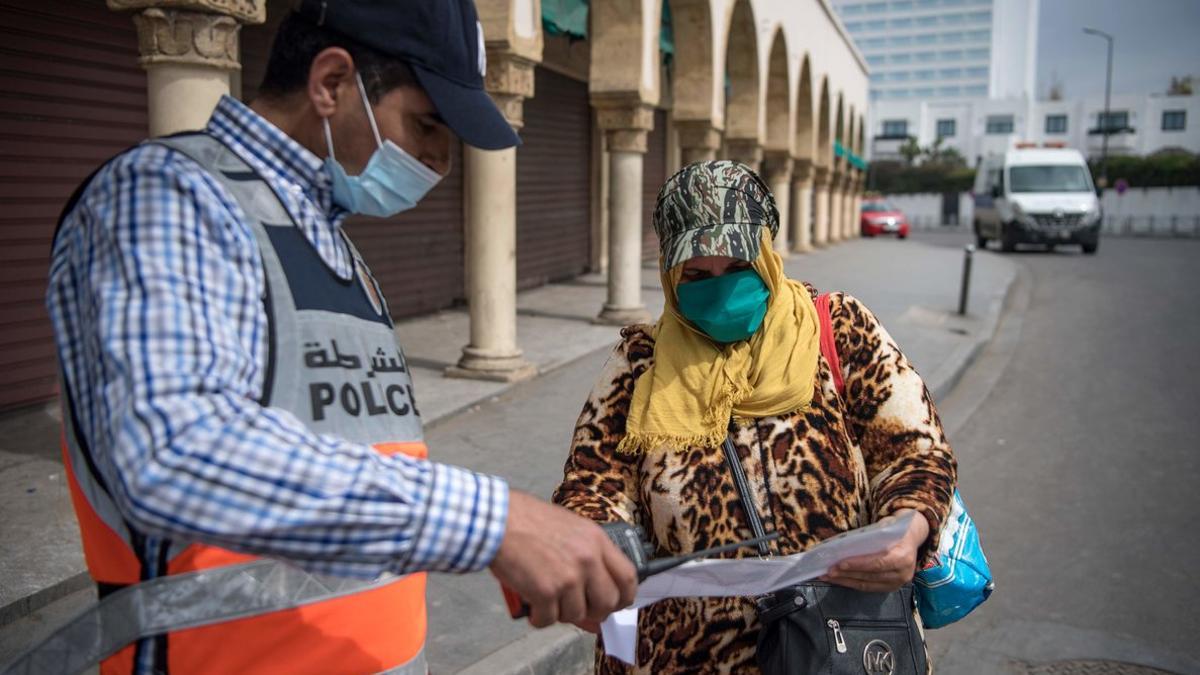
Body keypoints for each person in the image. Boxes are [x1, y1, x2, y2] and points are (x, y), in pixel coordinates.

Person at [46, 2, 635, 673]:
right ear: (330, 82)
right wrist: (494, 522)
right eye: (426, 125)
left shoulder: (336, 249)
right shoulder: (169, 197)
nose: (441, 161)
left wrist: (516, 551)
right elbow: (173, 447)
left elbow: (355, 475)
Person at [553, 161, 957, 673]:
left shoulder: (838, 327)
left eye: (737, 268)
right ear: (669, 273)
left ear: (767, 256)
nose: (718, 290)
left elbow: (915, 450)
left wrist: (910, 526)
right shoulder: (640, 363)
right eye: (696, 275)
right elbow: (592, 482)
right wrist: (597, 551)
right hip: (683, 655)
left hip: (836, 643)